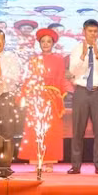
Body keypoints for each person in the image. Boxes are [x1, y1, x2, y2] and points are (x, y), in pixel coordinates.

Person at [67, 19, 98, 174]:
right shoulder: (76, 49)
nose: (93, 34)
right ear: (84, 31)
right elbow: (72, 71)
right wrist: (82, 56)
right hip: (81, 91)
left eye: (95, 31)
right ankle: (75, 165)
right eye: (90, 31)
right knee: (78, 130)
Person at [18, 29, 68, 172]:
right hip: (37, 97)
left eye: (49, 41)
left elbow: (61, 77)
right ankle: (36, 160)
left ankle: (50, 161)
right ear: (39, 43)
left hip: (52, 97)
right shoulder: (34, 59)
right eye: (43, 42)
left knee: (51, 130)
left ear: (53, 44)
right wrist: (23, 94)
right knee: (35, 129)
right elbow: (29, 79)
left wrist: (63, 93)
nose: (46, 44)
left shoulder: (59, 59)